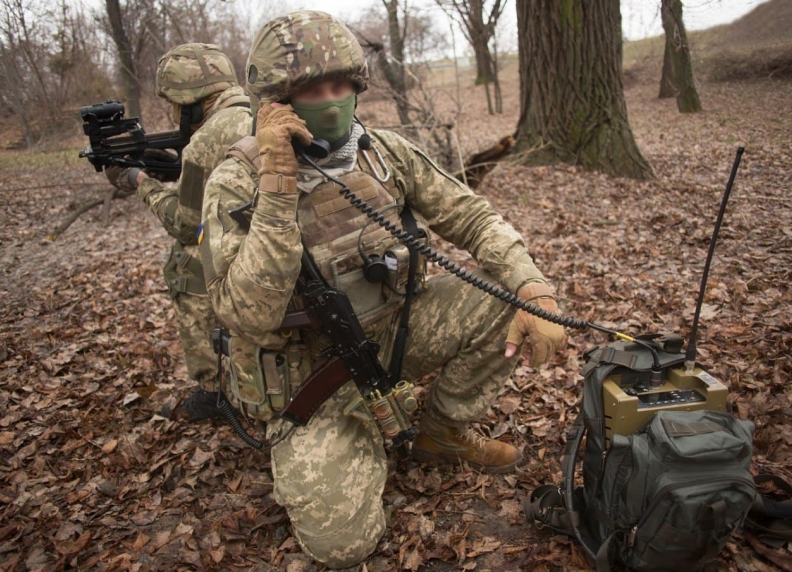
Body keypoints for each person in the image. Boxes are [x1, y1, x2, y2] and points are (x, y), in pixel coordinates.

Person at [200, 11, 566, 568]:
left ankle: (441, 432)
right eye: (310, 90)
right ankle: (354, 431)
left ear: (357, 85)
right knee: (343, 547)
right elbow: (246, 313)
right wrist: (277, 184)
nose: (330, 100)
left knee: (504, 298)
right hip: (310, 376)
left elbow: (473, 218)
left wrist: (533, 287)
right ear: (275, 101)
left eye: (340, 85)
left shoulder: (384, 152)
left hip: (396, 332)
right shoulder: (235, 181)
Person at [105, 43, 253, 421]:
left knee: (185, 263)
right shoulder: (261, 110)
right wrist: (174, 170)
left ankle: (215, 390)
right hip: (273, 236)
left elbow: (187, 227)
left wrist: (139, 181)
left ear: (190, 102)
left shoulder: (205, 142)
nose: (172, 113)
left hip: (244, 248)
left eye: (174, 103)